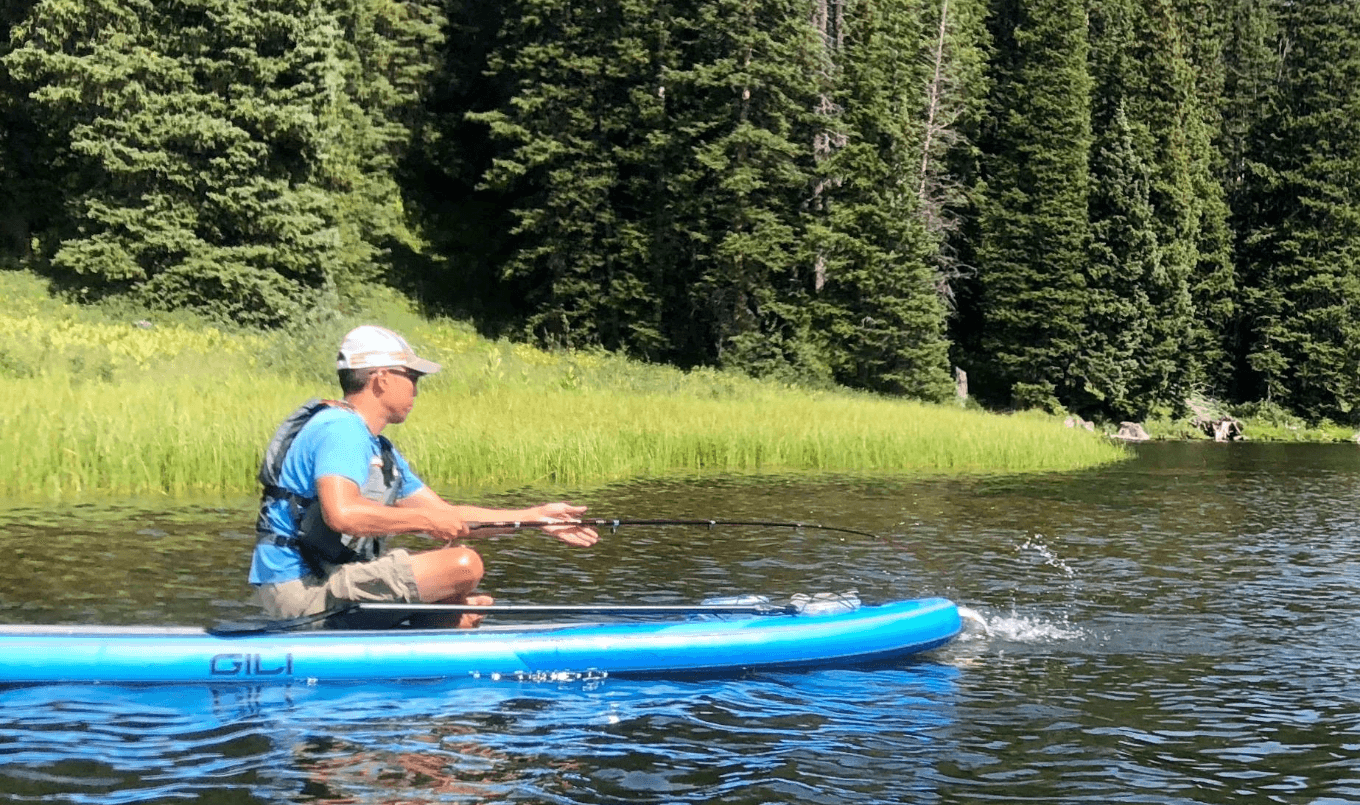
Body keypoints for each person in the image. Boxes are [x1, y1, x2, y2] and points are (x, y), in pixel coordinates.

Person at [249, 325, 598, 628]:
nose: (417, 388)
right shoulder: (341, 429)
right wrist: (423, 521)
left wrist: (535, 519)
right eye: (412, 377)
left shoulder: (379, 449)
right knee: (463, 565)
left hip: (327, 582)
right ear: (381, 378)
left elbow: (446, 514)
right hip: (300, 591)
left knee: (461, 598)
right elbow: (343, 514)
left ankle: (436, 624)